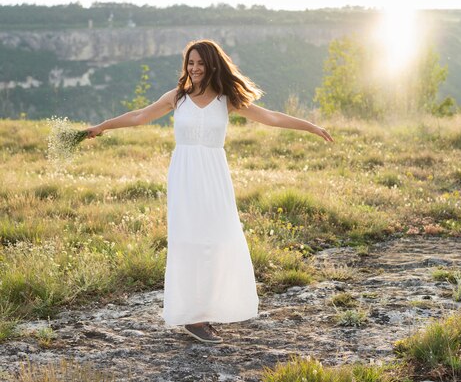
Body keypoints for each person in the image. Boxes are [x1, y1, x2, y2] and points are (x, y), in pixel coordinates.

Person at [85, 39, 333, 343]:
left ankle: (210, 308)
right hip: (185, 175)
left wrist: (311, 127)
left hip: (215, 175)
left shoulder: (226, 99)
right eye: (190, 63)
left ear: (212, 65)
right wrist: (102, 126)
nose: (195, 68)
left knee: (218, 240)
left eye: (200, 63)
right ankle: (194, 317)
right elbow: (139, 116)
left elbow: (270, 117)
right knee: (187, 241)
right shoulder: (177, 97)